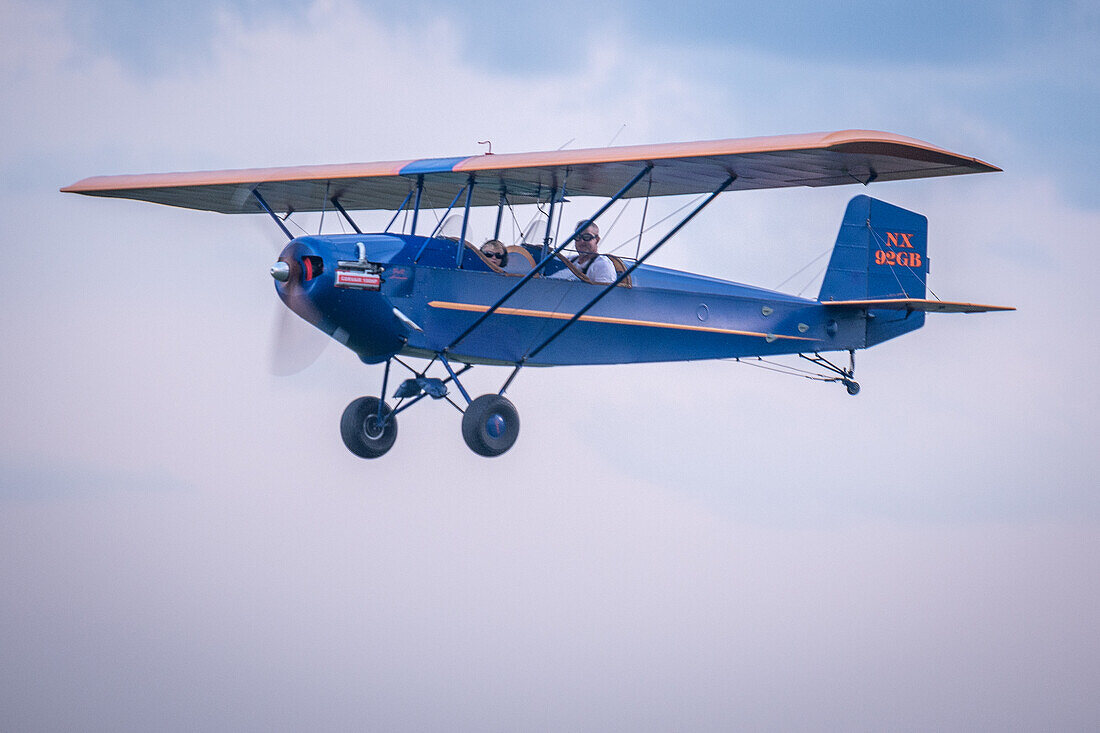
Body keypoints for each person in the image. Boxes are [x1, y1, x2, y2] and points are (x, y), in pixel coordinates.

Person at [548, 221, 615, 283]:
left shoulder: (602, 265)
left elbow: (606, 293)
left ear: (597, 240)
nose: (581, 241)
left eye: (586, 237)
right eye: (577, 237)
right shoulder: (567, 261)